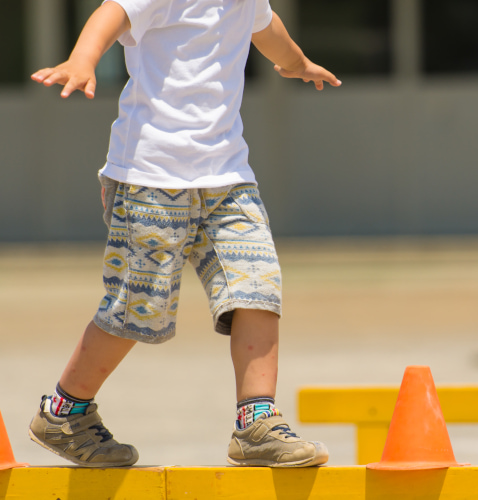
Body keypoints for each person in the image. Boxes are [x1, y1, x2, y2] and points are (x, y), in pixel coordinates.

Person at [28, 0, 340, 467]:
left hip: (228, 177)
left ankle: (256, 423)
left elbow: (268, 29)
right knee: (138, 309)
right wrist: (83, 59)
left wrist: (296, 63)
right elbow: (112, 12)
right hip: (149, 176)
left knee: (257, 286)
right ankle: (65, 412)